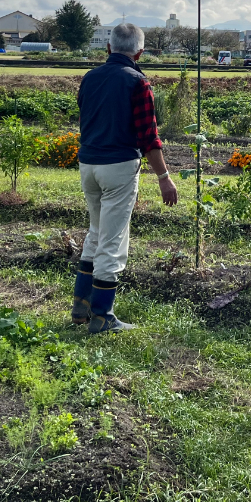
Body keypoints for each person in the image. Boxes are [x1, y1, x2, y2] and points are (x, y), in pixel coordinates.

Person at [72, 23, 178, 333]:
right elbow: (148, 136)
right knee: (113, 240)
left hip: (88, 163)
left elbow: (85, 118)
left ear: (108, 48)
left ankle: (82, 305)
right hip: (118, 166)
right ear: (140, 52)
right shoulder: (138, 83)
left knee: (95, 231)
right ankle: (103, 316)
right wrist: (164, 177)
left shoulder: (90, 79)